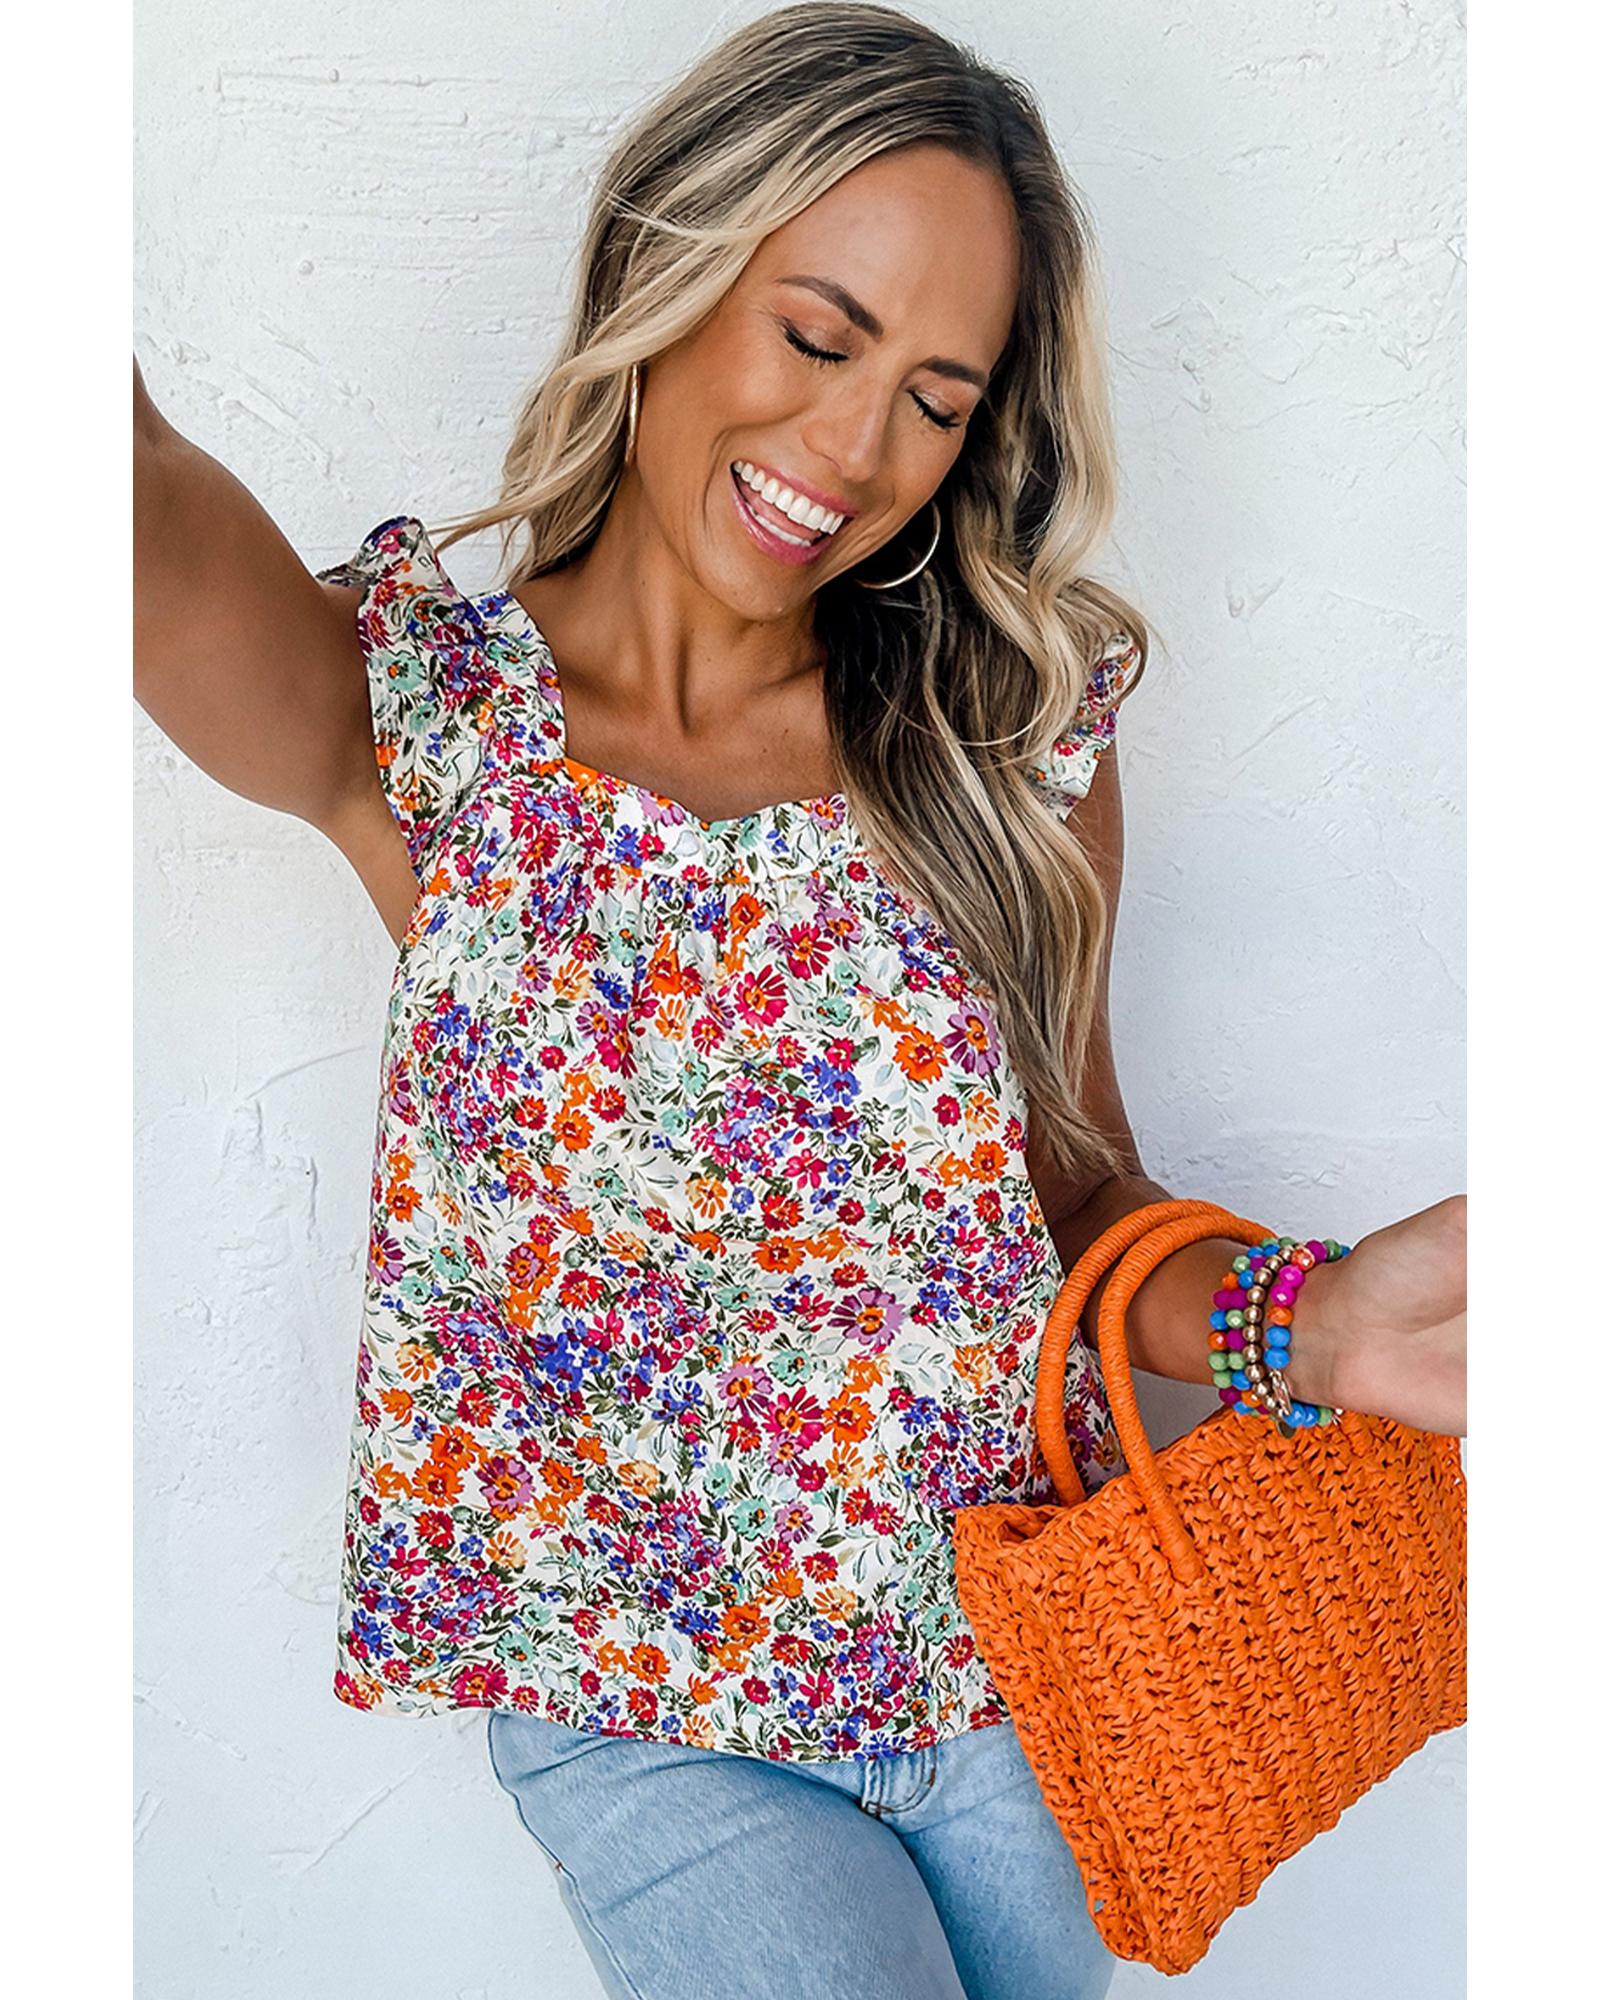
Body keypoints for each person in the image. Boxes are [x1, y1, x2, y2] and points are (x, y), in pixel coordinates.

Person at [133, 5, 1466, 1995]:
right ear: (666, 268)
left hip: (1010, 1673)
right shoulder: (423, 719)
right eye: (818, 335)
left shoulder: (1004, 741)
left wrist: (1313, 1315)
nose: (853, 452)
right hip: (647, 1707)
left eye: (933, 397)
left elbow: (1073, 1199)